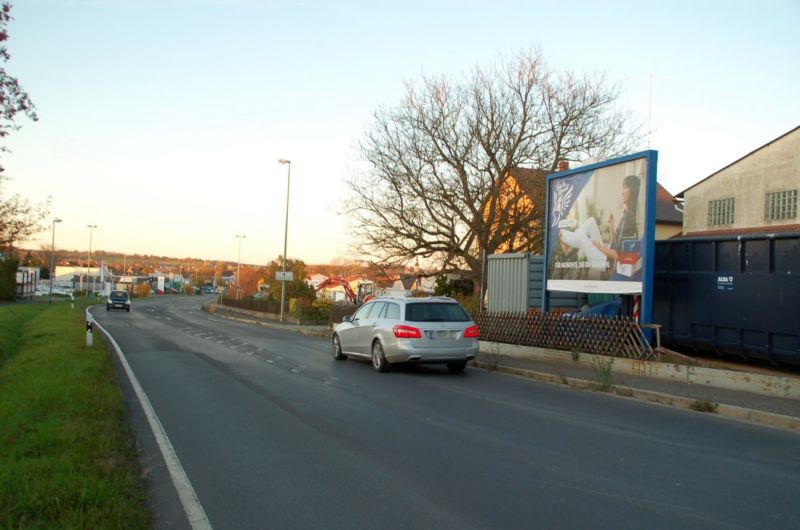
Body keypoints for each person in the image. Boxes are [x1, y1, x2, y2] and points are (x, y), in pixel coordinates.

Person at [592, 175, 640, 263]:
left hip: (618, 269)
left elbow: (617, 255)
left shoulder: (629, 216)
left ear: (633, 191)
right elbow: (615, 246)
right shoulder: (626, 215)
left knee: (589, 225)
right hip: (616, 267)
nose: (622, 192)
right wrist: (611, 226)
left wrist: (599, 247)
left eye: (625, 188)